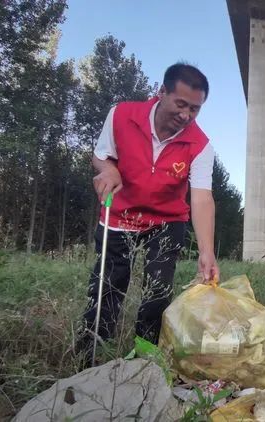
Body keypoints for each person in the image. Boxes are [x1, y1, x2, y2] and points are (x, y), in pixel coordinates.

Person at [76, 63, 219, 360]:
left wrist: (207, 250)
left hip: (167, 222)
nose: (186, 115)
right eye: (181, 104)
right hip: (120, 217)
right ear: (161, 91)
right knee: (107, 290)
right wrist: (109, 170)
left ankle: (145, 360)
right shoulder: (122, 115)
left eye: (195, 109)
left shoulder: (200, 144)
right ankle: (88, 356)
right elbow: (100, 156)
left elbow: (202, 197)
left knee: (157, 295)